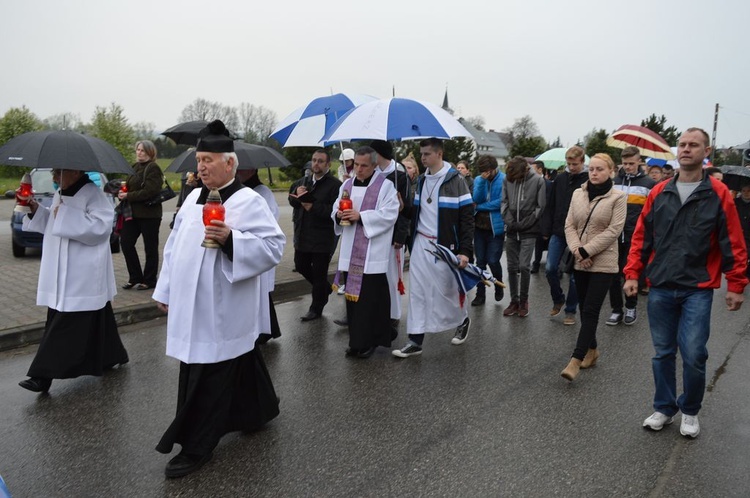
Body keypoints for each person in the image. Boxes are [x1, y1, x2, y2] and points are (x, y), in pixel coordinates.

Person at [153, 120, 285, 477]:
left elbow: (273, 247)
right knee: (232, 362)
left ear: (230, 163)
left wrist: (231, 239)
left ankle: (197, 446)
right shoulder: (194, 198)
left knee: (209, 374)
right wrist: (165, 290)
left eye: (209, 160)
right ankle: (257, 410)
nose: (201, 167)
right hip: (192, 305)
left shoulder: (249, 202)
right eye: (199, 160)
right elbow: (174, 248)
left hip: (222, 307)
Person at [624, 127, 747, 438]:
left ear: (706, 152)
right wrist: (632, 273)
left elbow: (733, 241)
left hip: (697, 288)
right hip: (662, 285)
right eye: (682, 144)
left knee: (693, 353)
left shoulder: (718, 194)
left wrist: (736, 285)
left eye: (694, 145)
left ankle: (690, 410)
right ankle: (664, 407)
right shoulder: (659, 191)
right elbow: (642, 237)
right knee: (662, 352)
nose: (686, 149)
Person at [18, 169, 128, 393]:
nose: (54, 177)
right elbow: (53, 221)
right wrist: (35, 208)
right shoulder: (62, 191)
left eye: (58, 172)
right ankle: (111, 354)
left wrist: (65, 216)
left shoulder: (93, 193)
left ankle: (42, 375)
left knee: (65, 323)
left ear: (75, 172)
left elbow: (102, 226)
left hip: (82, 271)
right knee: (98, 316)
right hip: (61, 268)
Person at [392, 138, 474, 358]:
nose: (422, 158)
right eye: (421, 154)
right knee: (417, 293)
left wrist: (465, 250)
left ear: (439, 154)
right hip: (420, 243)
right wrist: (404, 208)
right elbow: (418, 213)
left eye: (427, 154)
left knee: (447, 291)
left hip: (445, 246)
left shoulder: (456, 181)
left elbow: (467, 218)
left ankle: (462, 318)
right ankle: (415, 340)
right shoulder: (420, 180)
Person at [559, 154, 626, 381]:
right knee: (583, 307)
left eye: (600, 169)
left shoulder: (618, 197)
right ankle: (593, 350)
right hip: (581, 259)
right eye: (592, 169)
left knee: (591, 310)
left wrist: (588, 251)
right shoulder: (579, 193)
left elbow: (614, 230)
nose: (594, 173)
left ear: (611, 171)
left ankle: (575, 360)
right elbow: (569, 225)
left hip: (604, 262)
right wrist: (579, 251)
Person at [332, 146, 399, 358]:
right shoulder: (347, 184)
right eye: (357, 165)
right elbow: (335, 209)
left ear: (374, 165)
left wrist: (361, 216)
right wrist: (339, 214)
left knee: (368, 302)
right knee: (353, 302)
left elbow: (390, 214)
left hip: (372, 254)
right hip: (349, 252)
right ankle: (357, 340)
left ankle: (366, 342)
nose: (358, 170)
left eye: (364, 166)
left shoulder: (385, 187)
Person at [288, 149, 342, 321]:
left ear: (328, 164)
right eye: (314, 160)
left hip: (322, 236)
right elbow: (292, 201)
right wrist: (297, 196)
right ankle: (325, 288)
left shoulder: (335, 186)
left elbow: (335, 211)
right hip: (303, 233)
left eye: (320, 161)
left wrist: (314, 207)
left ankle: (316, 308)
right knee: (301, 265)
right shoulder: (302, 182)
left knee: (319, 274)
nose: (316, 164)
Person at [605, 146, 656, 327]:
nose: (627, 167)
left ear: (639, 162)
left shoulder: (649, 183)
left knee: (630, 274)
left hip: (635, 236)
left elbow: (652, 213)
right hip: (615, 235)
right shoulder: (613, 181)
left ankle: (631, 307)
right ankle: (616, 309)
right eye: (625, 163)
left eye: (631, 163)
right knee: (612, 273)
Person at [541, 146, 588, 326]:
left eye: (575, 164)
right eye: (569, 164)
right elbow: (550, 204)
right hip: (558, 230)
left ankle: (570, 310)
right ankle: (558, 298)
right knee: (551, 268)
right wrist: (546, 228)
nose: (572, 167)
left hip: (579, 233)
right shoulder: (560, 178)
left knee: (576, 275)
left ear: (582, 162)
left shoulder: (588, 180)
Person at [371, 140, 412, 337]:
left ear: (380, 154)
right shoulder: (372, 173)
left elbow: (406, 209)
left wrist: (400, 235)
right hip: (374, 232)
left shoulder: (399, 175)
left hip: (392, 233)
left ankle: (393, 315)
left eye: (373, 152)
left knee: (391, 276)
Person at [236, 167, 281, 345]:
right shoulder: (238, 190)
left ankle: (264, 331)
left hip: (257, 246)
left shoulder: (262, 192)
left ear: (253, 170)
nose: (239, 171)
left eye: (243, 169)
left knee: (260, 293)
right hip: (242, 246)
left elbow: (271, 217)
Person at [501, 156, 547, 317]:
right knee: (512, 267)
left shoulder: (538, 181)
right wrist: (509, 220)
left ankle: (524, 300)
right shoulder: (508, 180)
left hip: (529, 230)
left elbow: (540, 207)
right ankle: (514, 301)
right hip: (512, 228)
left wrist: (525, 223)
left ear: (526, 170)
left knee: (523, 266)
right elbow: (504, 202)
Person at [118, 140, 164, 290]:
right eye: (138, 150)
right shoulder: (134, 167)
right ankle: (135, 276)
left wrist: (128, 196)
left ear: (150, 152)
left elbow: (151, 191)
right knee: (126, 242)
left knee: (150, 247)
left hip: (150, 214)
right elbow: (129, 186)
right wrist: (121, 192)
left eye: (143, 150)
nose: (139, 153)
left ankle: (150, 280)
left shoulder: (153, 168)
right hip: (133, 214)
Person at [470, 155, 506, 306]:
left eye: (487, 172)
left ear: (493, 169)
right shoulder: (479, 180)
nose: (485, 174)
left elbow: (500, 203)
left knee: (493, 260)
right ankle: (480, 294)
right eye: (482, 172)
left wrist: (480, 207)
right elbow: (476, 198)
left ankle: (498, 285)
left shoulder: (504, 179)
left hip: (495, 229)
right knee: (480, 263)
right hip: (479, 228)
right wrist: (482, 182)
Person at [531, 160, 552, 274]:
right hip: (532, 218)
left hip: (543, 219)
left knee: (542, 243)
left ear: (540, 169)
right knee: (536, 244)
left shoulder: (548, 184)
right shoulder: (529, 183)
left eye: (532, 168)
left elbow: (548, 205)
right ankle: (535, 263)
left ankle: (539, 265)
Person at [735, 184, 750, 278]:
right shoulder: (735, 202)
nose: (746, 193)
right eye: (744, 191)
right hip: (738, 234)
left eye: (748, 191)